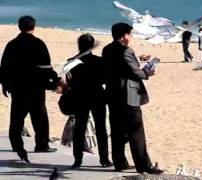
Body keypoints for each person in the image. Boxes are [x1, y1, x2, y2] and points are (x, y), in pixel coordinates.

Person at [102, 22, 164, 174]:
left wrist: (138, 61)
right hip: (128, 95)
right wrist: (148, 72)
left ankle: (120, 162)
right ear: (124, 36)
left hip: (112, 93)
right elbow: (135, 72)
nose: (131, 37)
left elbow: (120, 67)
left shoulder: (107, 49)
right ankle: (143, 166)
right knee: (136, 131)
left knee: (117, 130)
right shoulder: (126, 50)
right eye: (130, 34)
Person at [0, 15, 59, 163]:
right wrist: (52, 83)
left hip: (18, 88)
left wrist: (4, 85)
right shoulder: (38, 44)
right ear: (33, 27)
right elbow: (46, 67)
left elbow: (4, 68)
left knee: (16, 119)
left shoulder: (12, 45)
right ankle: (41, 144)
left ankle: (16, 145)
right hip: (35, 88)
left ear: (19, 27)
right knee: (39, 118)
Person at [64, 34, 112, 168]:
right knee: (101, 128)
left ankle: (77, 159)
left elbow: (69, 81)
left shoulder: (71, 61)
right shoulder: (100, 61)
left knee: (79, 128)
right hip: (97, 96)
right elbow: (104, 79)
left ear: (79, 45)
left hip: (80, 96)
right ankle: (104, 159)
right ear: (92, 46)